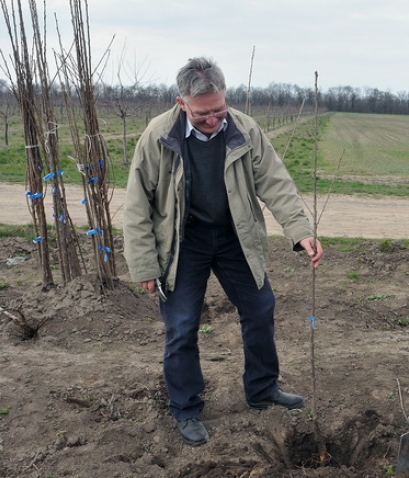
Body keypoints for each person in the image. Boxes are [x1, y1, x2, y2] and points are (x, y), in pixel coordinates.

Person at [123, 57, 322, 447]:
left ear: (225, 97)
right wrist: (144, 263)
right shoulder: (158, 135)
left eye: (219, 109)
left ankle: (263, 390)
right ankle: (185, 407)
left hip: (235, 238)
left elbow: (276, 182)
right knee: (181, 326)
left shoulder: (245, 129)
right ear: (182, 104)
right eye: (203, 114)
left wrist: (300, 232)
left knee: (261, 308)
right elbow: (137, 204)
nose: (213, 120)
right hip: (183, 243)